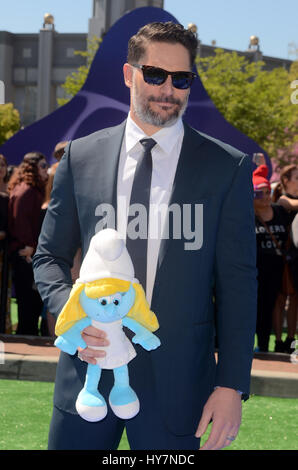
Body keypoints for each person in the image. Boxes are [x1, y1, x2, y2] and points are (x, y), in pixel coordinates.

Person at [33, 22, 257, 451]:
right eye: (154, 74)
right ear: (128, 74)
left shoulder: (226, 168)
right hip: (87, 381)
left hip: (179, 388)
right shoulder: (81, 156)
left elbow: (238, 285)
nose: (167, 89)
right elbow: (48, 257)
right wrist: (73, 316)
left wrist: (231, 384)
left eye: (181, 79)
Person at [8, 152, 48, 335]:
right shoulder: (27, 191)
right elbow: (20, 221)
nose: (46, 170)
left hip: (27, 253)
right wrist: (30, 246)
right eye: (42, 166)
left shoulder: (29, 190)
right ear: (32, 167)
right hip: (26, 255)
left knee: (30, 303)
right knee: (28, 304)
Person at [253, 163, 291, 352]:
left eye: (268, 191)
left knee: (269, 307)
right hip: (254, 269)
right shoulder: (245, 215)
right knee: (253, 307)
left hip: (276, 268)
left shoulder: (280, 211)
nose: (266, 196)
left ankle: (263, 344)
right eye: (261, 193)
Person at [272, 164, 298, 353]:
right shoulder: (283, 199)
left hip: (296, 256)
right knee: (280, 299)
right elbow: (290, 205)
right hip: (282, 255)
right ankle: (279, 340)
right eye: (296, 177)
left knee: (295, 299)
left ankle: (291, 338)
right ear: (286, 180)